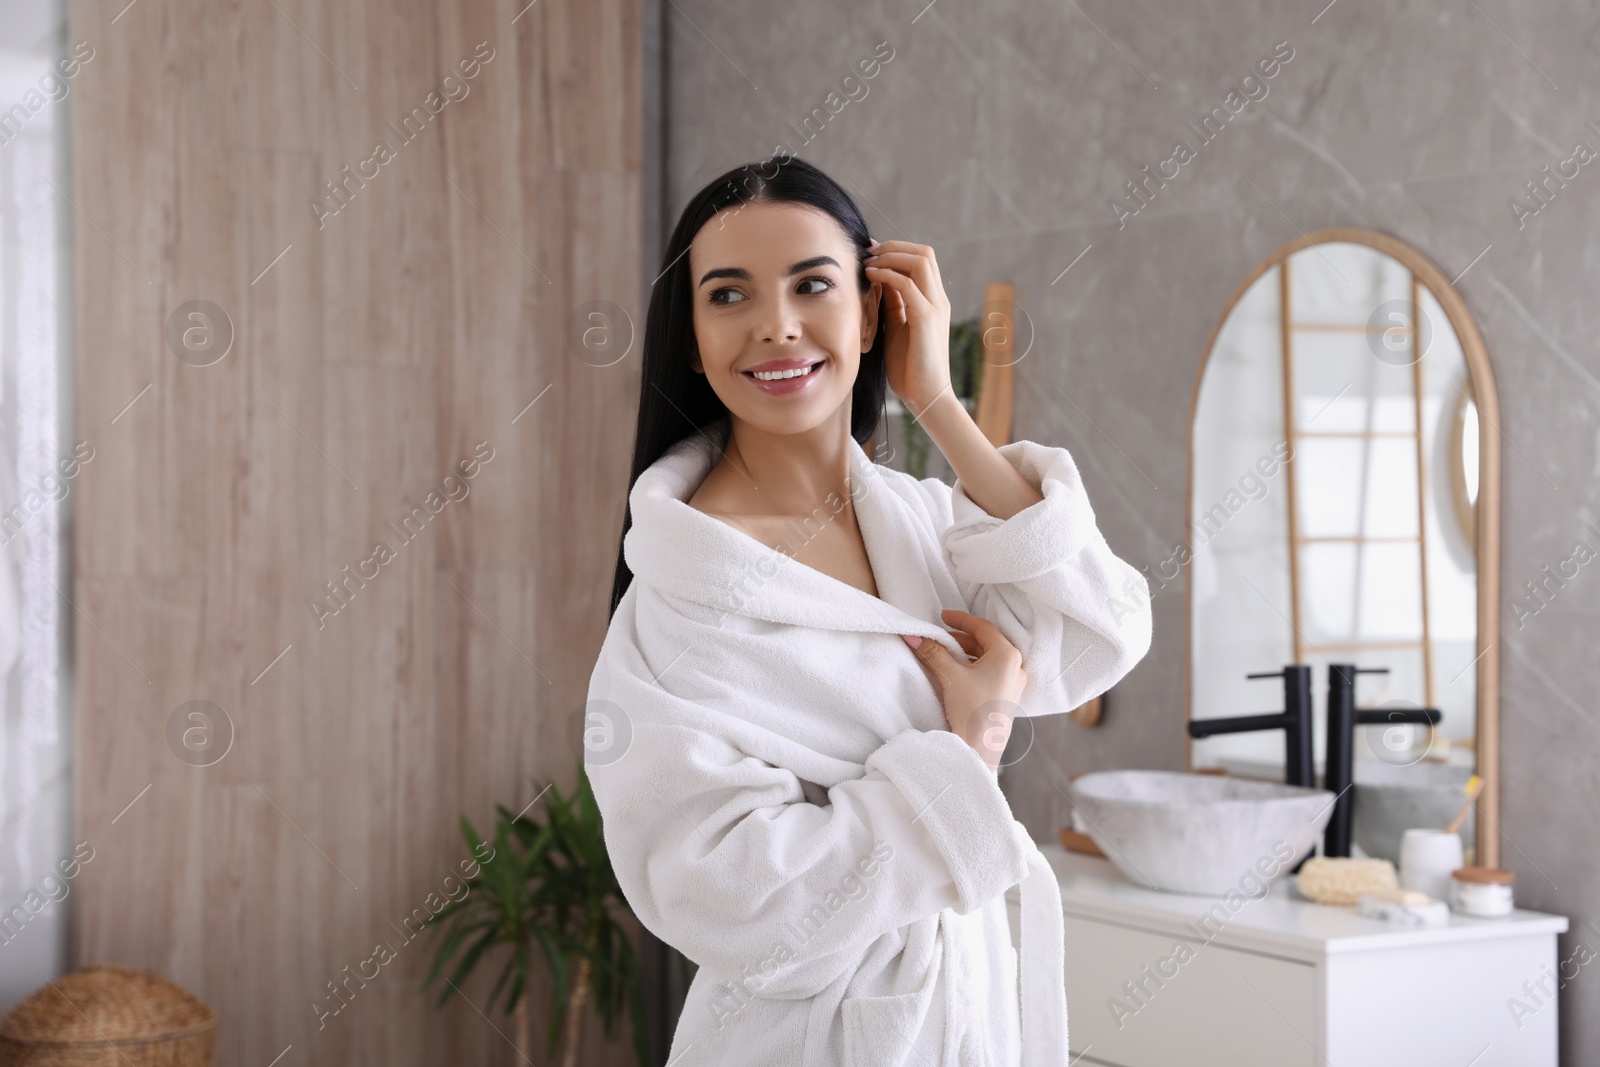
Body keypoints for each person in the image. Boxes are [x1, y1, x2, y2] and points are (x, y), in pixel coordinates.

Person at [585, 154, 1152, 1066]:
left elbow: (1098, 630)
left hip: (968, 1016)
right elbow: (728, 900)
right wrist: (970, 749)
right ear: (691, 339)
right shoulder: (678, 600)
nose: (776, 325)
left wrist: (939, 401)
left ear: (875, 309)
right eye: (728, 295)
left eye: (813, 284)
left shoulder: (924, 524)